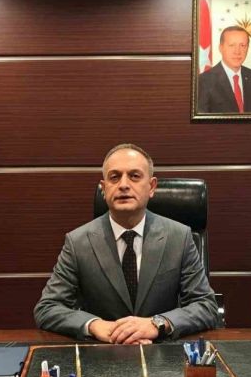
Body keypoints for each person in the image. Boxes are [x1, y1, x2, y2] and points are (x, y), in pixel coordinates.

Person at [34, 144, 219, 344]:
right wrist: (95, 325)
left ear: (152, 187)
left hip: (162, 351)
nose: (123, 185)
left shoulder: (179, 237)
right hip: (103, 352)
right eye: (114, 177)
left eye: (134, 176)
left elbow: (206, 305)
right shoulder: (78, 242)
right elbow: (48, 307)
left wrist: (157, 323)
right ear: (104, 188)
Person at [197, 26, 251, 113]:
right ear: (221, 48)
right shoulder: (204, 80)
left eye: (242, 45)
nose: (237, 51)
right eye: (231, 45)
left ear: (247, 48)